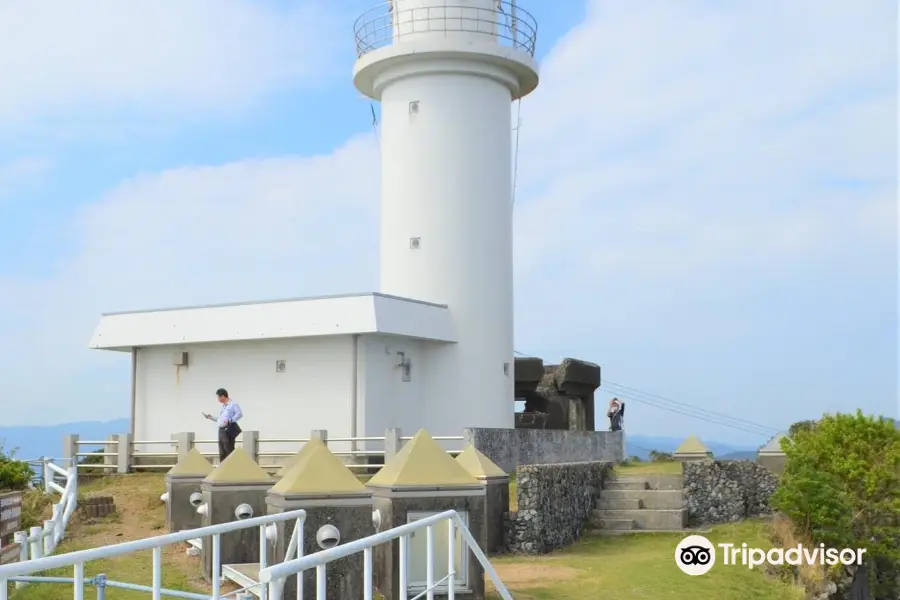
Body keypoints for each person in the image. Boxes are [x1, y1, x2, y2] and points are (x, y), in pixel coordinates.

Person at [202, 388, 243, 463]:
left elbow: (239, 414)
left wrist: (231, 420)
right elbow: (221, 419)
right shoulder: (223, 406)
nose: (217, 399)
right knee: (222, 451)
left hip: (227, 429)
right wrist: (211, 417)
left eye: (218, 397)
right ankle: (222, 469)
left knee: (229, 450)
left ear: (223, 396)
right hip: (221, 430)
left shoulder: (233, 404)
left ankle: (231, 468)